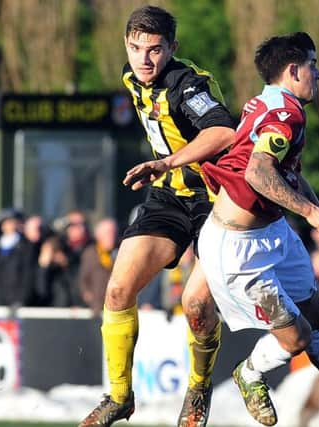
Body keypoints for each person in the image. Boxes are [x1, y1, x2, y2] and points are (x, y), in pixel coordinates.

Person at [198, 32, 319, 427]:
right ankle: (250, 373)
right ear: (294, 70)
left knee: (316, 312)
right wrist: (309, 213)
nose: (318, 75)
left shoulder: (272, 102)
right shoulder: (285, 114)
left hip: (274, 233)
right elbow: (258, 171)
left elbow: (286, 174)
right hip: (239, 248)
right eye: (313, 65)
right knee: (297, 338)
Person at [78, 6, 235, 427]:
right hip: (168, 197)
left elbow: (224, 131)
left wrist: (165, 163)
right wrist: (166, 171)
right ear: (126, 45)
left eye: (155, 50)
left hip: (214, 200)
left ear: (172, 49)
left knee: (196, 303)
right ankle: (118, 397)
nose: (144, 59)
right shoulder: (131, 79)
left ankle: (199, 390)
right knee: (117, 292)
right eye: (135, 48)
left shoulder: (186, 85)